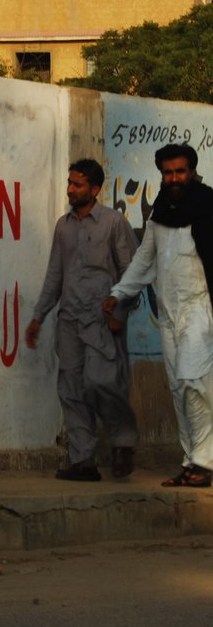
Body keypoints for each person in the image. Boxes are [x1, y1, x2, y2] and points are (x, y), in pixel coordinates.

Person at [103, 143, 213, 488]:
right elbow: (143, 259)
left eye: (180, 171)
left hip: (201, 306)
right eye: (168, 173)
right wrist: (120, 292)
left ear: (192, 171)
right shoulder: (160, 211)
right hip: (167, 312)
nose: (175, 178)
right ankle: (191, 462)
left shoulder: (208, 204)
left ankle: (204, 461)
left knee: (195, 380)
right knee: (179, 387)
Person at [25, 158, 139, 481]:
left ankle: (123, 443)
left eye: (77, 185)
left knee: (102, 384)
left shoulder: (114, 223)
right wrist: (38, 317)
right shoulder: (64, 226)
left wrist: (119, 312)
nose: (70, 189)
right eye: (69, 183)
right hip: (70, 320)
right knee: (71, 388)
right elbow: (54, 275)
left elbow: (133, 273)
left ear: (95, 189)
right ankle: (83, 461)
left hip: (103, 322)